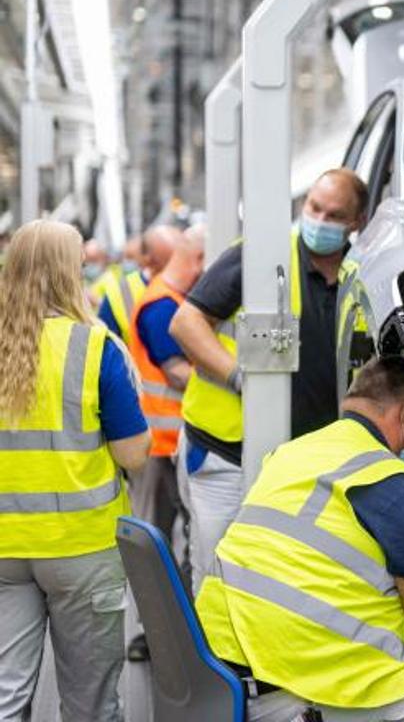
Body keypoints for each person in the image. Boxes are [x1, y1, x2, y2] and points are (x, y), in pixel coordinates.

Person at [195, 355, 404, 722]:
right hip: (295, 691)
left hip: (224, 671)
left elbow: (331, 558)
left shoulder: (292, 453)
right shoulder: (395, 483)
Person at [170, 169, 368, 591]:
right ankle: (207, 658)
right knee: (217, 573)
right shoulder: (262, 255)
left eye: (333, 215)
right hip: (226, 453)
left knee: (285, 582)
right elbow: (186, 323)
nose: (319, 220)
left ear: (357, 222)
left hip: (306, 465)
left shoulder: (362, 276)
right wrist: (238, 378)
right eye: (314, 207)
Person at [0, 220, 151, 721]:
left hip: (3, 550)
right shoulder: (94, 348)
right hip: (81, 549)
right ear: (71, 272)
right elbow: (132, 455)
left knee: (6, 696)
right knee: (90, 705)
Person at [124, 224, 206, 661]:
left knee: (187, 540)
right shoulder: (159, 308)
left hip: (176, 444)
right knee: (154, 544)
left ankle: (174, 628)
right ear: (194, 259)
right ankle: (152, 633)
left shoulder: (173, 304)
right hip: (157, 447)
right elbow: (177, 373)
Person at [97, 226, 180, 345]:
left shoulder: (192, 286)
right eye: (171, 262)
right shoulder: (118, 294)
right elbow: (106, 349)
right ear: (148, 261)